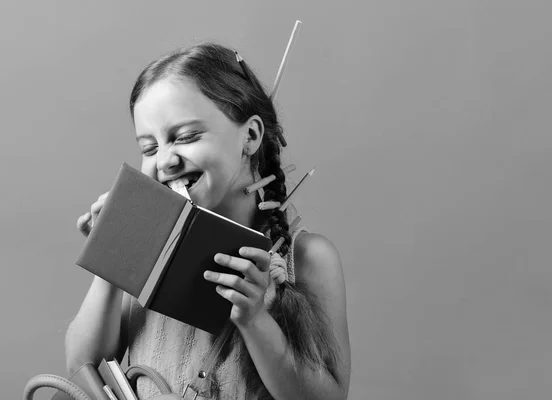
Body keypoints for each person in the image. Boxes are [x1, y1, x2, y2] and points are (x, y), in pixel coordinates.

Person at [64, 43, 351, 400]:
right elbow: (82, 366)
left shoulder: (307, 257)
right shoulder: (148, 243)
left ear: (250, 136)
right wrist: (110, 254)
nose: (166, 161)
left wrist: (255, 319)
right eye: (149, 148)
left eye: (185, 137)